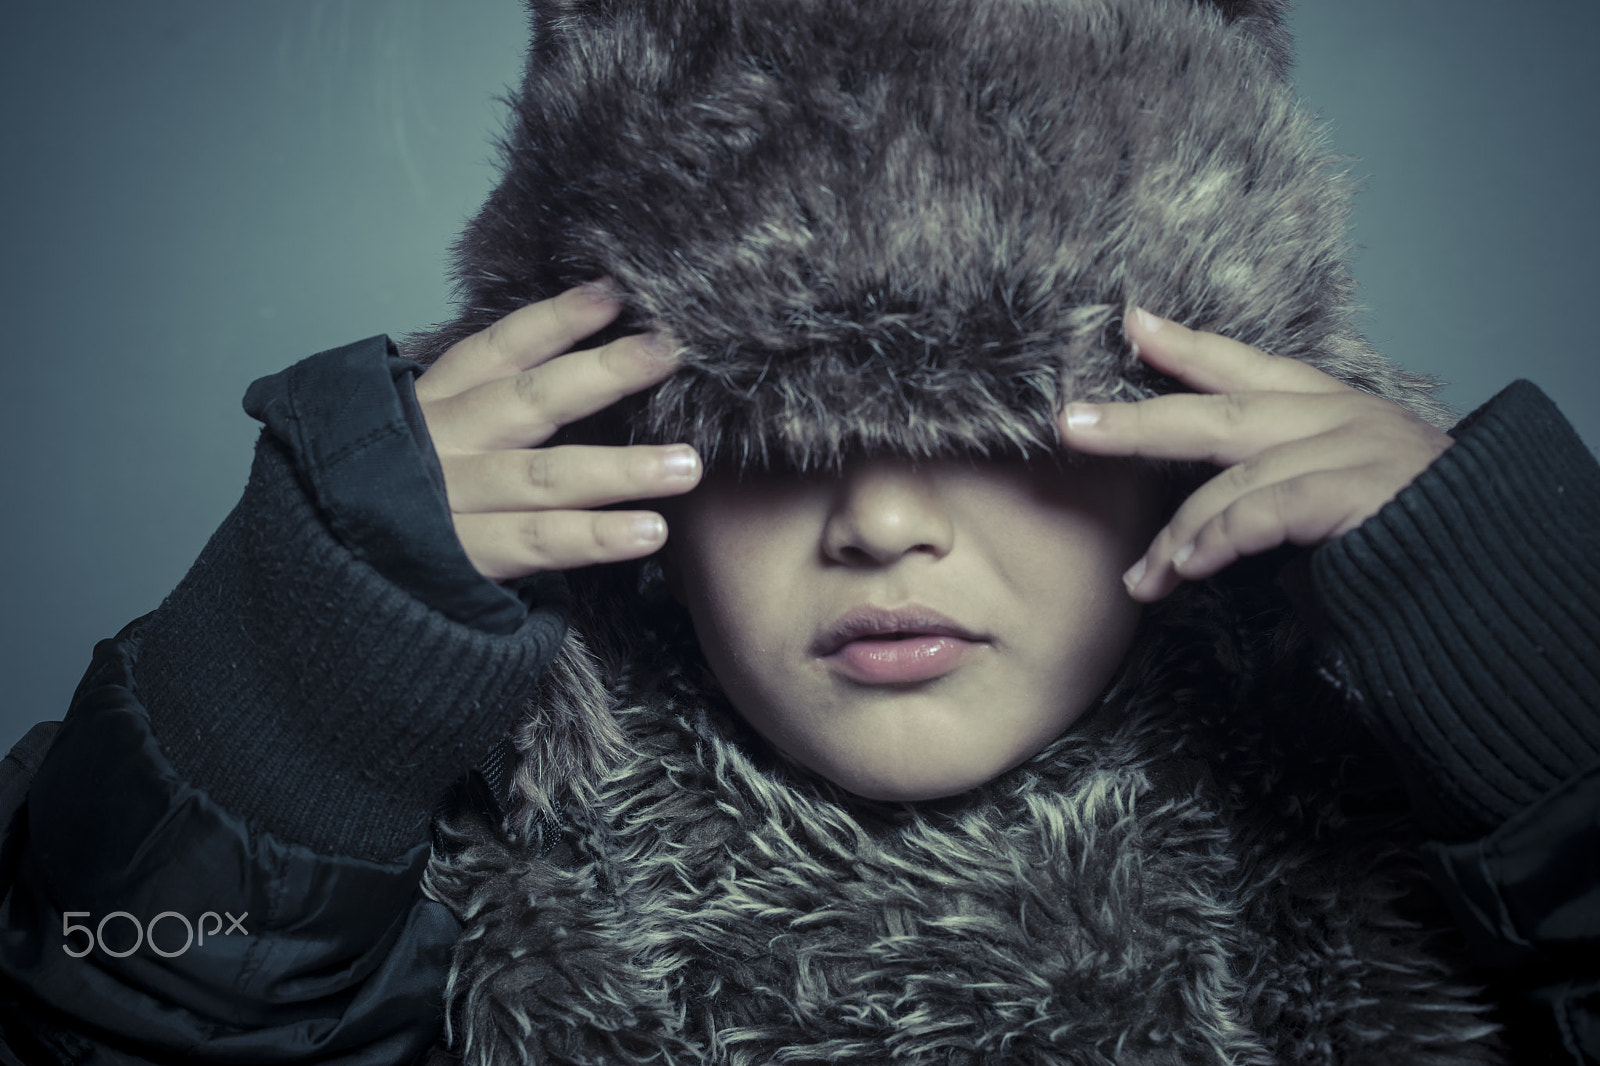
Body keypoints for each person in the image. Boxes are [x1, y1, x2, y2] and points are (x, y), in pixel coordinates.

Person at [2, 0, 1596, 1063]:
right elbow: (91, 983)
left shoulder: (1404, 818)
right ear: (619, 465)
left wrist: (1541, 669)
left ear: (1185, 446)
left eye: (1006, 431)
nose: (887, 521)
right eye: (765, 442)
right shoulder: (459, 867)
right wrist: (284, 695)